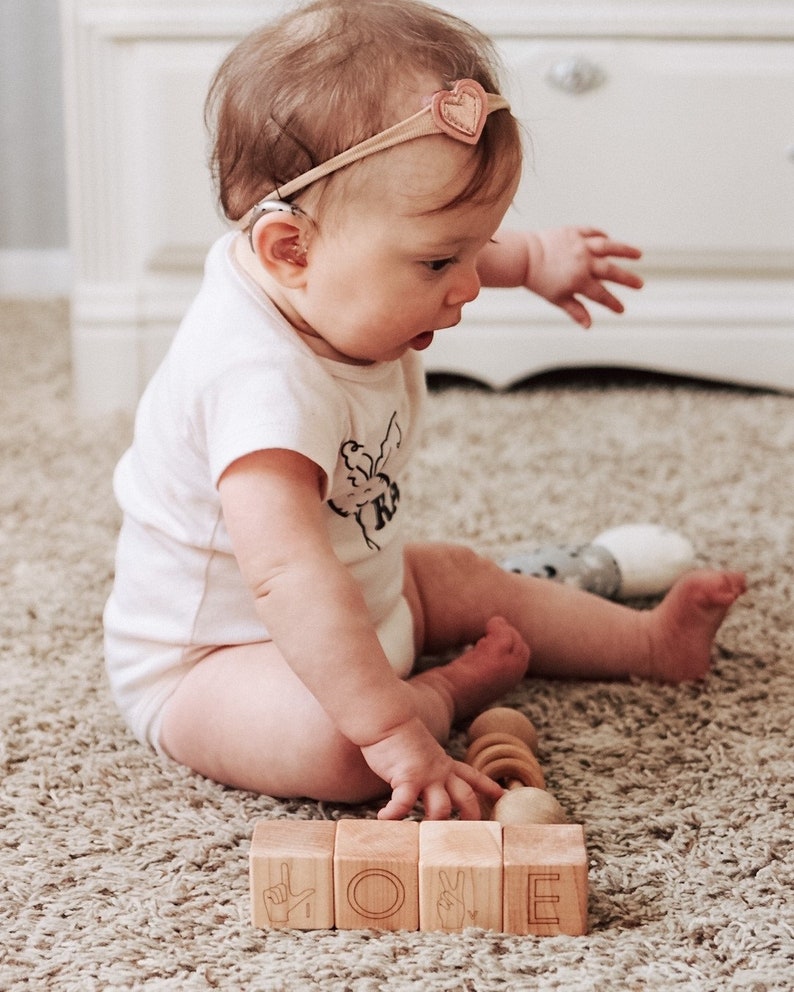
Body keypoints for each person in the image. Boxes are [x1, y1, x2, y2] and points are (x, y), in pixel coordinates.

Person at [103, 0, 746, 822]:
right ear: (289, 251)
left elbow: (451, 237)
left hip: (367, 592)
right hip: (219, 661)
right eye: (442, 260)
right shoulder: (255, 382)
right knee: (340, 746)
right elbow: (285, 575)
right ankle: (441, 691)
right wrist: (395, 729)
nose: (473, 281)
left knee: (469, 578)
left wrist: (538, 258)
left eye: (483, 245)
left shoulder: (336, 268)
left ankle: (650, 644)